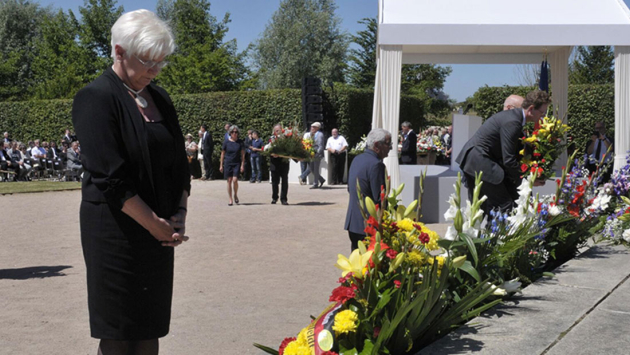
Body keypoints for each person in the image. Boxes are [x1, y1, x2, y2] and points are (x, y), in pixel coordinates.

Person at [71, 10, 190, 355]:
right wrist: (155, 225)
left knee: (149, 327)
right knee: (120, 330)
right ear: (119, 52)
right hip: (115, 232)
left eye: (161, 62)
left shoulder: (160, 98)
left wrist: (179, 213)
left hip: (160, 231)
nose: (154, 71)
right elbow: (111, 178)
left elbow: (178, 163)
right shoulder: (95, 98)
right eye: (148, 62)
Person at [456, 90, 550, 215]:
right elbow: (509, 160)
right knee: (504, 206)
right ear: (531, 109)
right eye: (542, 113)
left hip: (475, 161)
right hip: (480, 162)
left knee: (480, 209)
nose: (542, 116)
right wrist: (528, 180)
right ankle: (497, 234)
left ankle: (483, 233)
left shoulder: (514, 118)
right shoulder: (513, 122)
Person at [344, 128, 391, 251]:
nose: (390, 147)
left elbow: (350, 189)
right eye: (388, 143)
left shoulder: (357, 159)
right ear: (377, 145)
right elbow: (379, 199)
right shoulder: (377, 165)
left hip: (353, 223)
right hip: (368, 226)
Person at [220, 125, 245, 206]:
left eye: (236, 132)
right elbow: (223, 154)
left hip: (236, 163)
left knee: (235, 180)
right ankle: (230, 198)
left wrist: (242, 165)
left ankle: (235, 194)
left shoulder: (240, 142)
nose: (234, 133)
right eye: (233, 132)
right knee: (229, 180)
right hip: (228, 163)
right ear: (230, 133)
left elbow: (243, 154)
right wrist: (221, 165)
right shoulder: (226, 142)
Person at [270, 124, 290, 205]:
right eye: (276, 130)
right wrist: (272, 154)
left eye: (279, 130)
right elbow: (268, 150)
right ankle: (275, 198)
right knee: (275, 181)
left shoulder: (286, 139)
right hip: (274, 163)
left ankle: (284, 199)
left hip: (284, 163)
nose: (278, 132)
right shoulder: (271, 139)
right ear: (274, 131)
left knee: (284, 181)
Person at [304, 122, 326, 189]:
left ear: (317, 128)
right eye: (311, 127)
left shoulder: (320, 135)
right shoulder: (312, 134)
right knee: (311, 168)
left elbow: (320, 146)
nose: (312, 128)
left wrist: (317, 154)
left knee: (316, 169)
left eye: (313, 127)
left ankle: (315, 183)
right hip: (311, 153)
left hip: (317, 154)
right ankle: (321, 179)